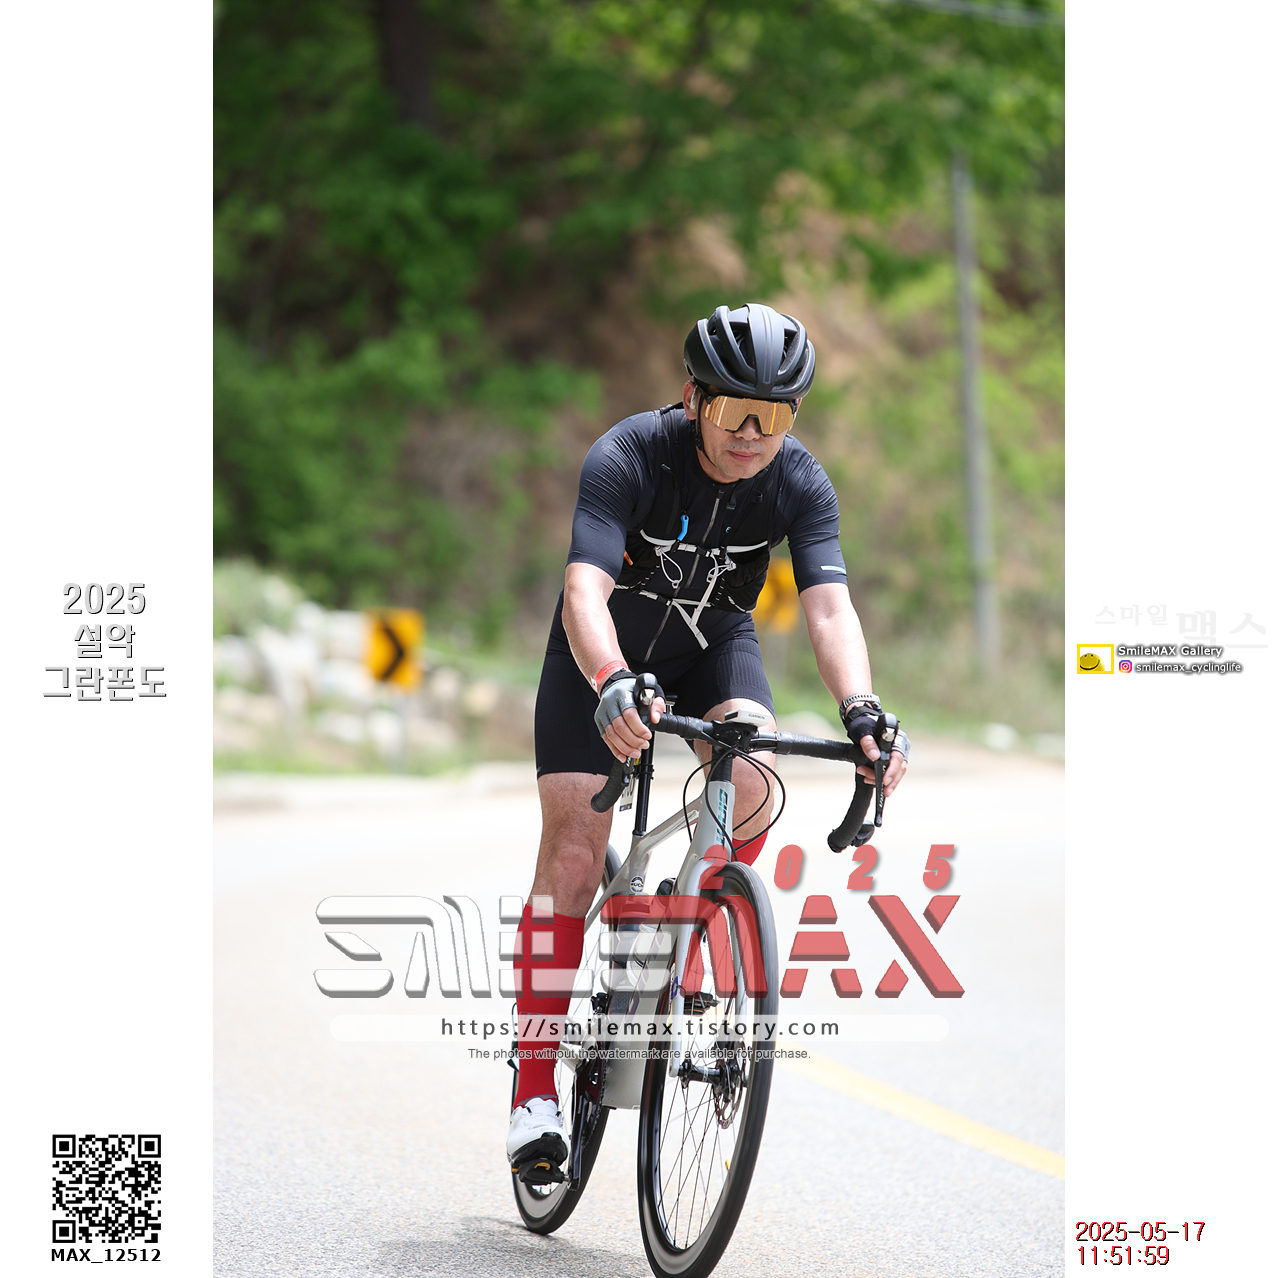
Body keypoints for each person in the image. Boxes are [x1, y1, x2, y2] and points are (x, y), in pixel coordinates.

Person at [505, 302, 909, 1180]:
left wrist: (862, 709)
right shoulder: (629, 453)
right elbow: (583, 592)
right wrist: (611, 679)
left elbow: (829, 609)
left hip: (712, 647)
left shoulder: (801, 482)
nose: (752, 435)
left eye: (774, 416)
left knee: (756, 781)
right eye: (733, 411)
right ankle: (534, 1091)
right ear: (694, 399)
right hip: (601, 655)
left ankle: (684, 943)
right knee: (573, 853)